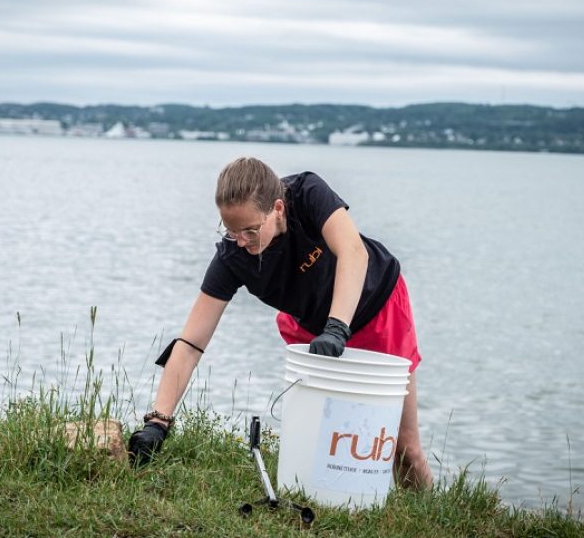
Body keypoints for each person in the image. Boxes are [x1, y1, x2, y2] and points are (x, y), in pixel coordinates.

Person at [128, 156, 433, 489]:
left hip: (376, 305)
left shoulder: (306, 193)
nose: (241, 241)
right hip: (312, 327)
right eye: (230, 231)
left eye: (250, 230)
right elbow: (190, 344)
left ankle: (426, 517)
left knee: (403, 448)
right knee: (327, 441)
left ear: (277, 208)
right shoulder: (232, 257)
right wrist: (158, 422)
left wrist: (336, 326)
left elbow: (353, 252)